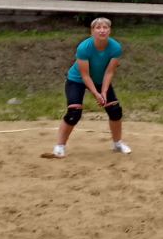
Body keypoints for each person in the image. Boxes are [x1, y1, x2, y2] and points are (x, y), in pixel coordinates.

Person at [48, 17, 129, 158]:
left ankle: (117, 144)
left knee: (115, 110)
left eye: (105, 27)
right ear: (92, 31)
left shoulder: (115, 47)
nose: (102, 30)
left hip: (100, 80)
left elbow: (109, 72)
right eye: (98, 27)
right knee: (74, 113)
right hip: (77, 80)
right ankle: (60, 146)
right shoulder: (84, 47)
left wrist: (104, 91)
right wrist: (96, 94)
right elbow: (85, 76)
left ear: (110, 30)